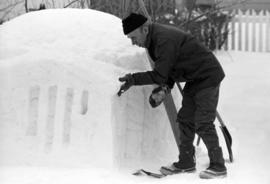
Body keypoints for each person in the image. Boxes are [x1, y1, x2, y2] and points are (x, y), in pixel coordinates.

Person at [118, 13, 227, 179]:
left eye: (133, 37)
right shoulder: (153, 41)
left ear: (144, 29)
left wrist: (134, 79)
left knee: (203, 122)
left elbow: (159, 75)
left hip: (208, 76)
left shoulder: (163, 39)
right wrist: (164, 89)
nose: (133, 42)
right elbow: (169, 71)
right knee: (185, 119)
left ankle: (218, 166)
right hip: (195, 77)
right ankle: (186, 162)